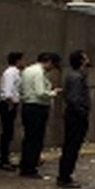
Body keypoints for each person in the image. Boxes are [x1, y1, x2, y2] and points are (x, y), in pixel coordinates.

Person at [18, 51, 61, 179]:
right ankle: (30, 168)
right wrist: (53, 93)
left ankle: (25, 164)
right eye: (53, 65)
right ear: (48, 61)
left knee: (29, 138)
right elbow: (40, 92)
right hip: (37, 106)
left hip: (27, 105)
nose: (52, 68)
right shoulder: (39, 72)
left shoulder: (27, 70)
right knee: (36, 138)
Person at [57, 49, 91, 189]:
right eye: (86, 58)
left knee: (71, 145)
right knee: (72, 146)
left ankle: (65, 175)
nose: (88, 60)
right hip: (76, 116)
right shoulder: (76, 78)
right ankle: (65, 176)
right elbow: (74, 99)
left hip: (74, 114)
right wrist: (82, 112)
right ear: (81, 61)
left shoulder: (74, 76)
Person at [0, 51, 26, 171]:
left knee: (9, 132)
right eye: (23, 60)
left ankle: (5, 158)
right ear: (18, 60)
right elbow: (8, 91)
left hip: (11, 103)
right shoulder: (10, 73)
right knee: (7, 132)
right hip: (8, 104)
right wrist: (10, 103)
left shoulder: (16, 73)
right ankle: (4, 160)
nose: (24, 62)